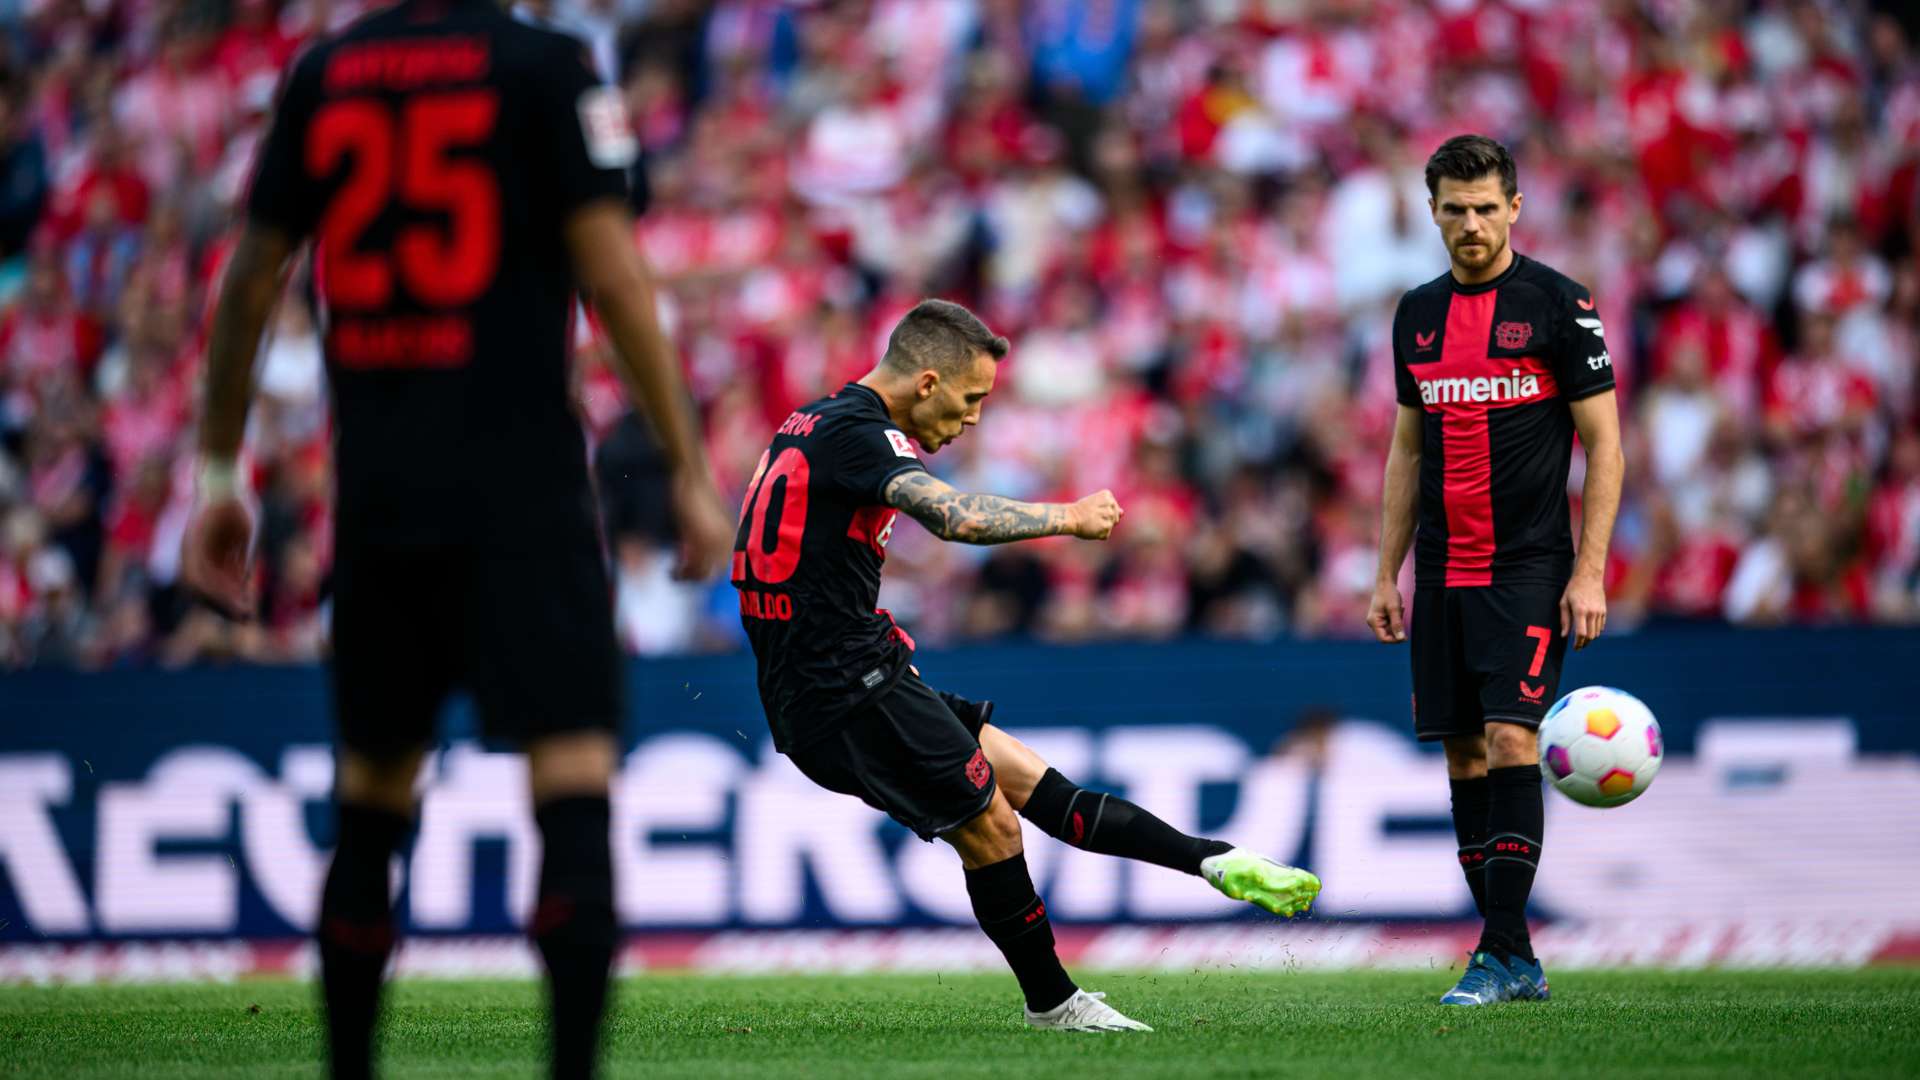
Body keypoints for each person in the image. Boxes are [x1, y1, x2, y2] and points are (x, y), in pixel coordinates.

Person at [178, 6, 735, 1077]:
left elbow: (251, 277)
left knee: (373, 798)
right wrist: (688, 466)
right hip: (524, 480)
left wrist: (216, 474)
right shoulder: (548, 68)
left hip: (379, 488)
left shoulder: (325, 72)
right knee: (570, 775)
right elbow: (612, 274)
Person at [734, 298, 1319, 1033]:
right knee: (993, 828)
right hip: (845, 687)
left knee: (1038, 788)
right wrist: (1067, 517)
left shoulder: (809, 421)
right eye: (972, 396)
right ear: (927, 382)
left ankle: (1214, 861)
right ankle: (1053, 1002)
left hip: (850, 673)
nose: (975, 417)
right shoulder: (866, 436)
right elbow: (956, 518)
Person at [1366, 134, 1624, 1006]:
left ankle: (1499, 953)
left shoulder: (1559, 304)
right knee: (1465, 756)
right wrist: (1383, 574)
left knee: (1515, 736)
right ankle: (1513, 957)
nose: (1471, 225)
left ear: (1515, 206)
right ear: (1431, 210)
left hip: (1528, 566)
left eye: (1486, 208)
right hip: (1441, 572)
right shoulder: (1416, 314)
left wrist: (1589, 574)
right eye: (1454, 209)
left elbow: (1607, 448)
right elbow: (1406, 453)